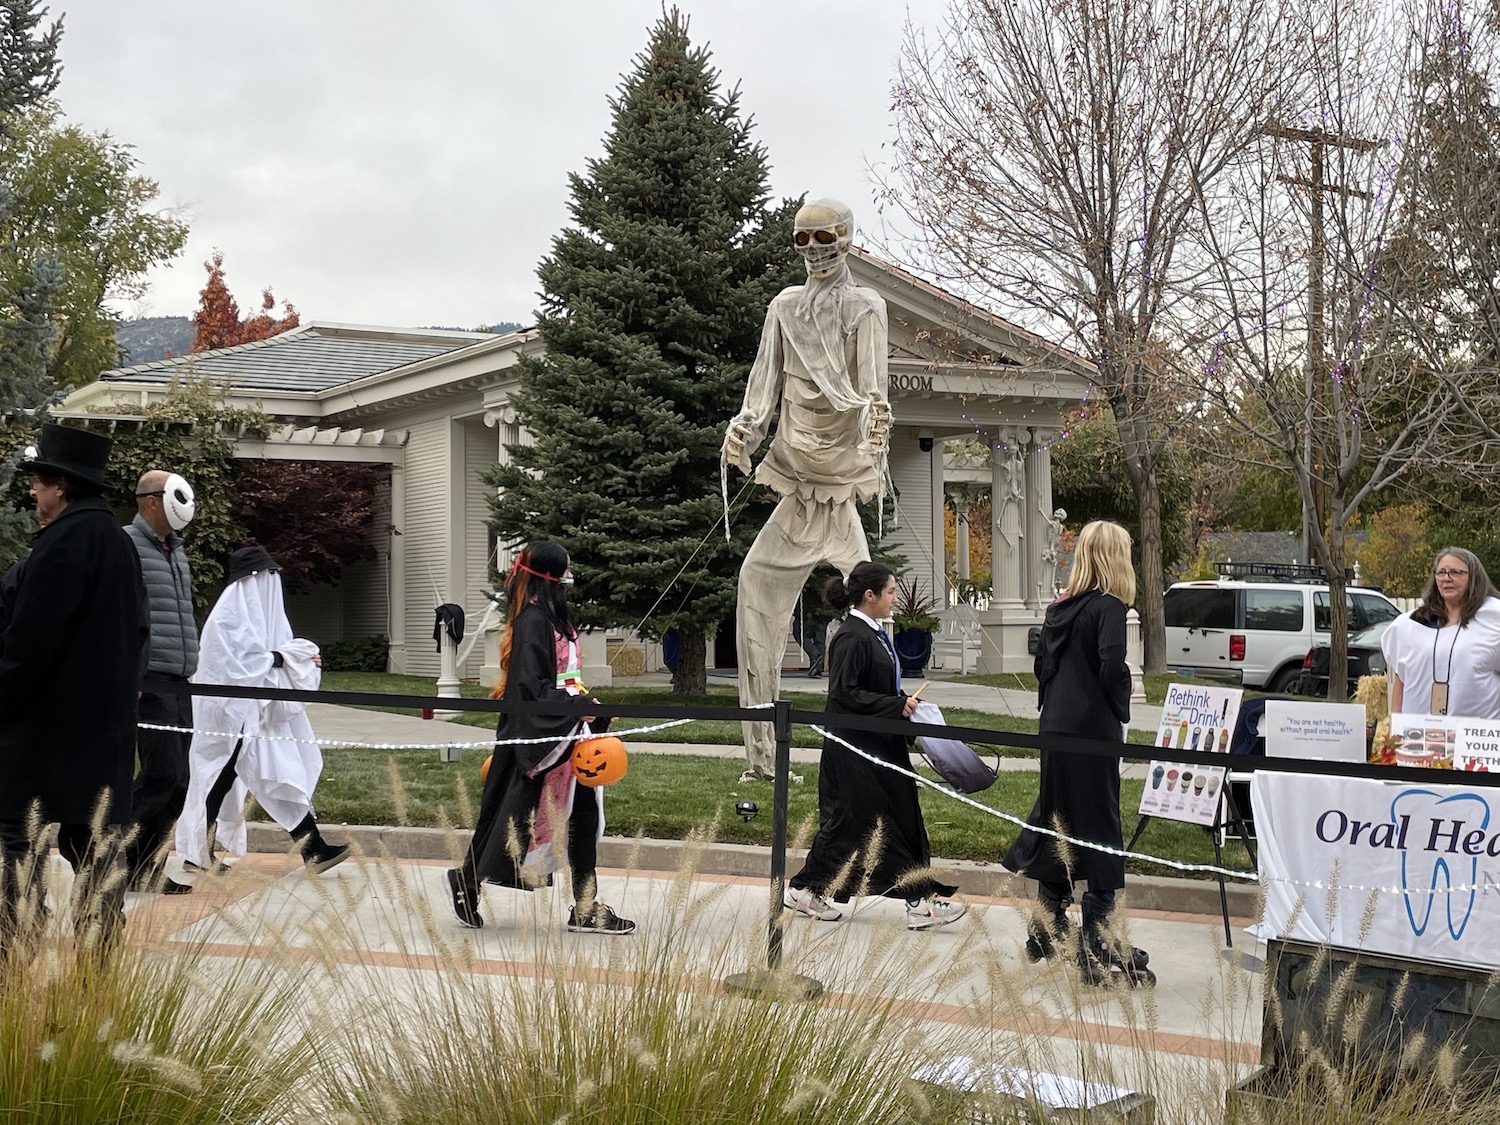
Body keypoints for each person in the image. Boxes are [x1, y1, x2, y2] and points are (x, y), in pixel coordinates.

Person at [722, 197, 892, 783]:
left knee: (874, 611)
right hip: (797, 484)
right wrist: (745, 427)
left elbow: (872, 389)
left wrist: (876, 427)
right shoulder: (783, 308)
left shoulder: (866, 306)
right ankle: (762, 758)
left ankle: (874, 747)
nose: (814, 251)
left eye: (825, 238)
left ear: (846, 238)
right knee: (754, 585)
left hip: (840, 485)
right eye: (803, 240)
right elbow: (762, 384)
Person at [0, 424, 149, 958]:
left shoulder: (64, 542)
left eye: (39, 484)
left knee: (16, 838)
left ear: (61, 485)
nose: (33, 494)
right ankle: (98, 964)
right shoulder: (118, 543)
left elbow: (30, 644)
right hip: (104, 732)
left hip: (45, 730)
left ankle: (12, 953)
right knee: (97, 850)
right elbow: (139, 635)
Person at [446, 541, 634, 935]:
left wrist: (588, 704)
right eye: (566, 566)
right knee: (510, 820)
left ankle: (584, 908)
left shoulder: (556, 618)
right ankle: (467, 881)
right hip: (537, 743)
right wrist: (574, 707)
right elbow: (529, 688)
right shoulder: (533, 620)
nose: (571, 571)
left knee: (583, 818)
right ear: (554, 573)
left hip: (570, 738)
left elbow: (563, 680)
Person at [1002, 520, 1153, 986]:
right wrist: (1119, 699)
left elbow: (1043, 666)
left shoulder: (1059, 607)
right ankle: (1098, 938)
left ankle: (1047, 928)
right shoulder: (1108, 607)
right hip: (1091, 730)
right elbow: (1112, 663)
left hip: (1056, 727)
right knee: (1101, 824)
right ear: (1116, 557)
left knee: (1060, 819)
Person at [783, 560, 967, 930]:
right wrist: (895, 704)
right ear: (870, 596)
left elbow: (872, 688)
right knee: (870, 823)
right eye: (891, 592)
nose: (895, 598)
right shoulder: (853, 636)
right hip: (857, 750)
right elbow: (844, 694)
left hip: (879, 744)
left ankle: (806, 890)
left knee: (875, 822)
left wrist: (903, 705)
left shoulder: (872, 633)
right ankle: (918, 903)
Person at [175, 545, 349, 875]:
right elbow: (237, 662)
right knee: (222, 778)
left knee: (271, 774)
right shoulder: (229, 616)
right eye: (268, 576)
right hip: (228, 715)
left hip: (254, 713)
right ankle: (198, 853)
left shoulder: (257, 615)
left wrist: (298, 660)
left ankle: (313, 849)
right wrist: (285, 659)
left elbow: (270, 653)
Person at [122, 470, 199, 895]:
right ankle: (108, 855)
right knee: (161, 773)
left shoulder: (176, 550)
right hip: (148, 678)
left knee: (181, 780)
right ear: (151, 500)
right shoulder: (127, 545)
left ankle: (142, 864)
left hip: (180, 678)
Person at [1382, 547, 1500, 718]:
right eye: (1441, 572)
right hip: (1419, 736)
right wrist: (1395, 726)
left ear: (1474, 577)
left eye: (1455, 572)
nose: (1447, 578)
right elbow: (1402, 678)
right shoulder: (1411, 624)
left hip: (1477, 737)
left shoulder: (1493, 619)